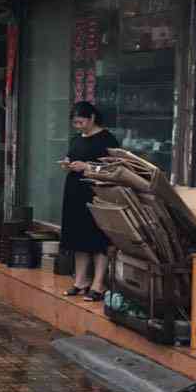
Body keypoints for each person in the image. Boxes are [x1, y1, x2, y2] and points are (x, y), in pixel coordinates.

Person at [59, 101, 120, 301]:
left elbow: (116, 169)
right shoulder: (77, 138)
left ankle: (98, 284)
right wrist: (68, 164)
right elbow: (72, 156)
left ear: (92, 118)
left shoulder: (107, 139)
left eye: (81, 122)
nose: (78, 126)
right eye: (75, 123)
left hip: (96, 193)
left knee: (97, 239)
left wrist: (87, 167)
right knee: (77, 238)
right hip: (75, 192)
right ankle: (80, 281)